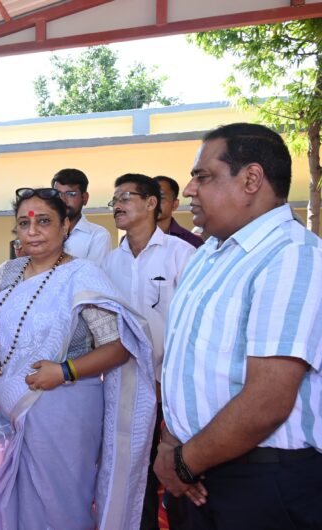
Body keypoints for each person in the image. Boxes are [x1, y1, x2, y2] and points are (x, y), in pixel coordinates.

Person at [0, 187, 156, 529]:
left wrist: (64, 371)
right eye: (24, 223)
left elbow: (119, 347)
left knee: (62, 508)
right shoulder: (6, 274)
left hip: (65, 411)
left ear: (65, 226)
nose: (32, 231)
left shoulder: (83, 276)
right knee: (18, 505)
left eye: (44, 222)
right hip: (13, 412)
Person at [154, 123, 322, 529]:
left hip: (262, 483)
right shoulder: (208, 253)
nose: (189, 189)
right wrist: (171, 446)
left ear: (251, 179)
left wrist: (182, 462)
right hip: (197, 474)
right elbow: (185, 364)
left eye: (203, 176)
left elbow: (267, 401)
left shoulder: (293, 256)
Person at [103, 173, 194, 530]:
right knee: (131, 475)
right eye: (114, 200)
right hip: (122, 387)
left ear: (152, 203)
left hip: (169, 389)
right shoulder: (111, 262)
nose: (117, 205)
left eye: (125, 197)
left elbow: (190, 329)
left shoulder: (181, 254)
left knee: (173, 474)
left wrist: (163, 382)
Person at [52, 168, 111, 265]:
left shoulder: (98, 235)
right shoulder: (44, 232)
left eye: (71, 194)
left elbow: (92, 273)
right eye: (58, 194)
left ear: (84, 198)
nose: (63, 200)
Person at [153, 176, 204, 248]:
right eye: (149, 198)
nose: (153, 203)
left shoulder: (192, 242)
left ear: (175, 204)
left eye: (161, 198)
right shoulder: (136, 237)